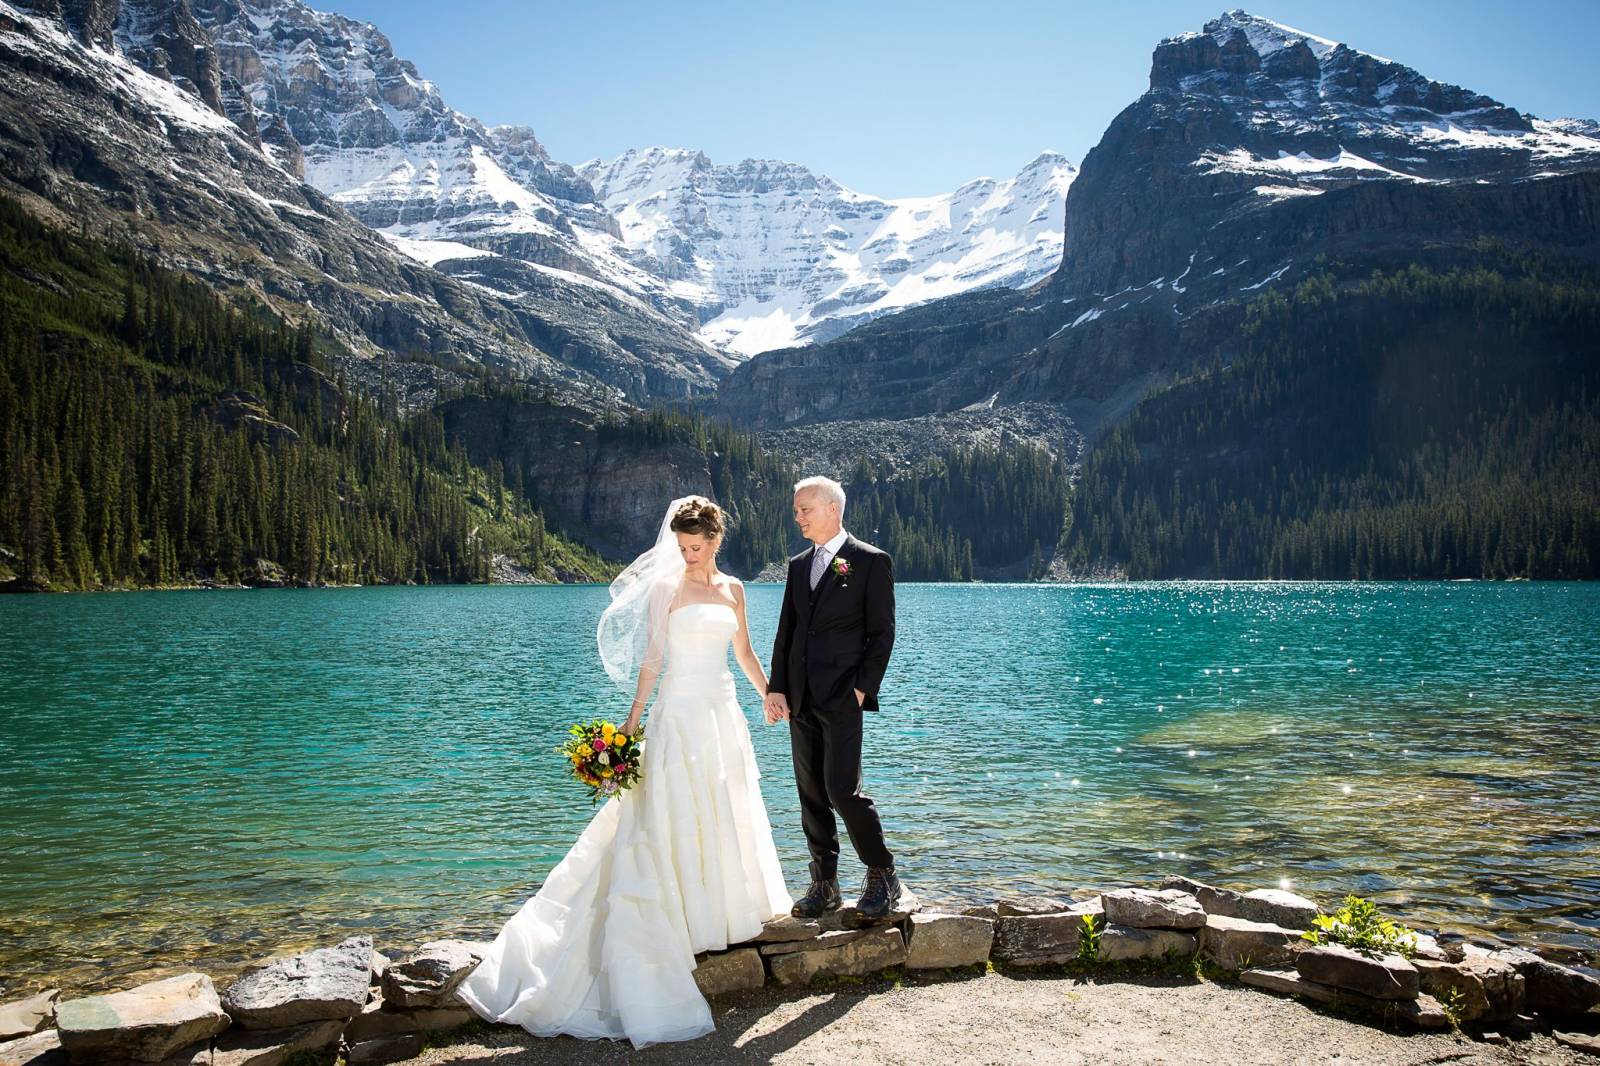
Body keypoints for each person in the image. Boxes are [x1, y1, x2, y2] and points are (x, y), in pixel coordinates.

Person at [455, 495, 792, 1049]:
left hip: (721, 714)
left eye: (696, 547)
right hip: (677, 715)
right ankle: (674, 926)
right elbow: (653, 662)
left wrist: (768, 696)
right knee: (667, 817)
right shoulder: (667, 588)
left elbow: (745, 652)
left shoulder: (733, 589)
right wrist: (631, 728)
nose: (686, 556)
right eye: (681, 547)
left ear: (715, 542)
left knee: (719, 810)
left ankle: (714, 918)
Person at [764, 475, 902, 923]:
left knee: (843, 789)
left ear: (833, 509)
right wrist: (776, 687)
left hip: (844, 696)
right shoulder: (799, 564)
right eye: (796, 510)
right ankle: (824, 884)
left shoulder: (870, 561)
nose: (797, 517)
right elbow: (788, 631)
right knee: (811, 793)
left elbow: (882, 634)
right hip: (800, 698)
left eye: (805, 509)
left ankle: (882, 874)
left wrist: (863, 689)